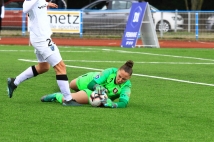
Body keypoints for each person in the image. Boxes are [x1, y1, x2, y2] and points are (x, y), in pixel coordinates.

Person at [7, 0, 81, 106]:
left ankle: (14, 82)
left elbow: (36, 6)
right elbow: (25, 8)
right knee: (61, 67)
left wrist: (46, 4)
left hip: (39, 38)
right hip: (41, 39)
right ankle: (68, 99)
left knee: (43, 67)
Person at [41, 60, 134, 108]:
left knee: (70, 98)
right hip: (90, 80)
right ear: (117, 71)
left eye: (124, 79)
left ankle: (55, 95)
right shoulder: (110, 72)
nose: (120, 80)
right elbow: (91, 84)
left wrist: (113, 105)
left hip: (94, 93)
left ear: (129, 78)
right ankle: (71, 91)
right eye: (119, 76)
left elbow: (123, 103)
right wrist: (99, 88)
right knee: (71, 85)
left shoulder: (127, 86)